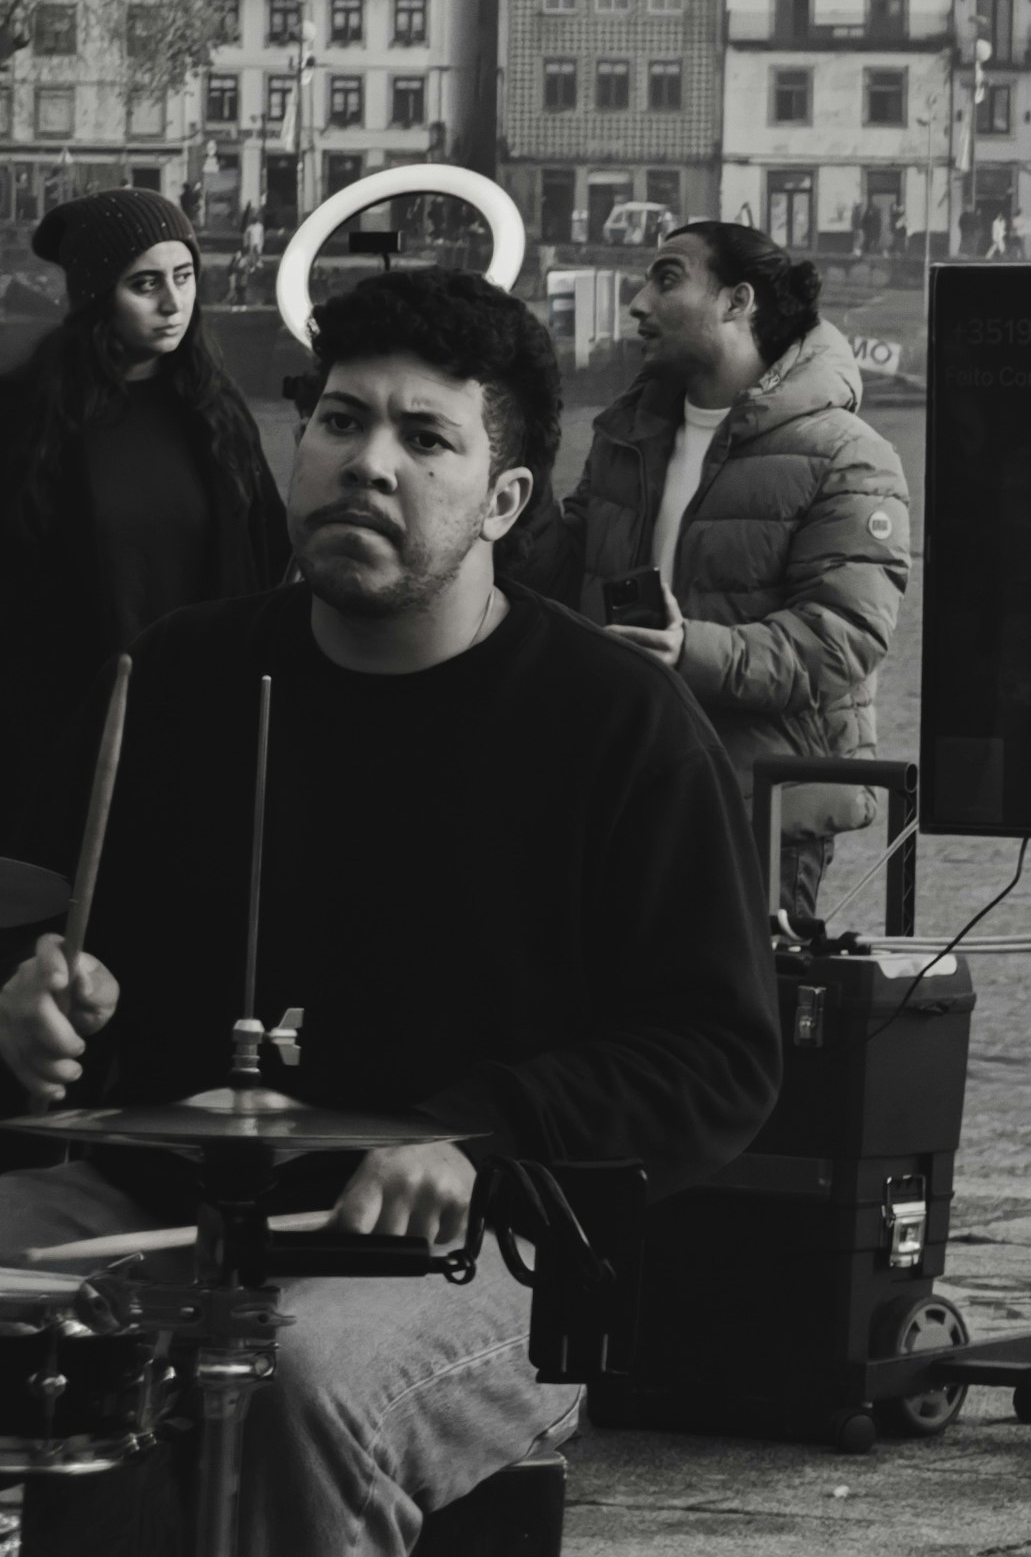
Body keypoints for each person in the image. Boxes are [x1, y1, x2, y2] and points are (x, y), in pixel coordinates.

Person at [0, 269, 779, 1555]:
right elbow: (38, 915)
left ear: (505, 500)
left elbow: (716, 1053)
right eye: (341, 421)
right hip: (152, 1198)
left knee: (296, 1384)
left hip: (480, 1252)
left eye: (425, 439)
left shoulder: (619, 727)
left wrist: (481, 1137)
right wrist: (26, 1008)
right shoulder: (180, 674)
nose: (368, 463)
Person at [554, 220, 910, 928]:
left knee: (741, 1024)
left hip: (759, 804)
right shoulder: (626, 437)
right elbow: (561, 577)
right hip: (625, 788)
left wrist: (689, 652)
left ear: (737, 301)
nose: (637, 303)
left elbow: (841, 637)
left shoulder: (847, 455)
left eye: (665, 278)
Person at [0, 191, 289, 807]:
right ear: (98, 296)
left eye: (184, 277)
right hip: (67, 722)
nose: (173, 303)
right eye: (145, 284)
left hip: (202, 714)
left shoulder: (217, 410)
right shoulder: (27, 417)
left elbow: (268, 554)